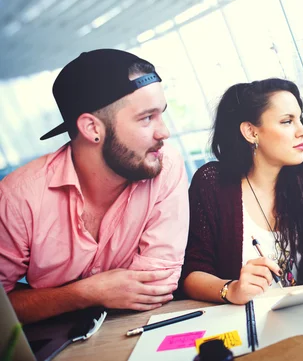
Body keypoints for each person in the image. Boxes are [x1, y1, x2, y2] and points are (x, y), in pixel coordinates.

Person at [0, 49, 189, 323]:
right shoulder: (18, 197)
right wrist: (83, 294)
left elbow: (155, 287)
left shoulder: (165, 165)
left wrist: (47, 301)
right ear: (92, 128)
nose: (164, 132)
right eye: (147, 118)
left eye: (161, 114)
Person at [181, 78, 303, 307]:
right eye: (287, 121)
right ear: (250, 131)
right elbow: (192, 273)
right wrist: (231, 289)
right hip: (243, 323)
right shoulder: (212, 183)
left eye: (300, 119)